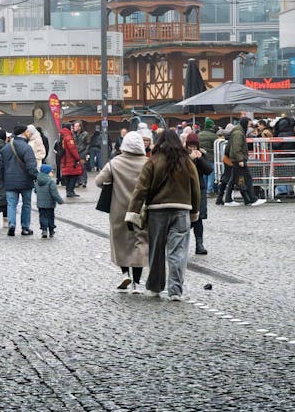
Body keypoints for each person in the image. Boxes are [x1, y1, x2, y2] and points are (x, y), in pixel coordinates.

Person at [126, 129, 201, 301]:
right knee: (178, 252)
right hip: (181, 210)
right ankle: (175, 291)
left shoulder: (153, 161)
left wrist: (133, 212)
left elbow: (141, 189)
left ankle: (155, 287)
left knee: (157, 251)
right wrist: (194, 211)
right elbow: (195, 188)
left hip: (157, 211)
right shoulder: (187, 162)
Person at [94, 132, 151, 292]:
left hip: (118, 210)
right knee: (140, 242)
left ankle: (125, 273)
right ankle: (136, 282)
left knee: (121, 243)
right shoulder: (147, 163)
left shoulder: (115, 163)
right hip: (141, 210)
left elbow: (99, 181)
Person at [0, 124, 38, 236]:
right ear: (23, 133)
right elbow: (31, 167)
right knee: (26, 204)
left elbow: (1, 166)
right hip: (25, 181)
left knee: (11, 204)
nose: (29, 133)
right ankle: (25, 227)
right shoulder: (26, 148)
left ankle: (12, 224)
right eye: (27, 131)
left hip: (9, 181)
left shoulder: (5, 148)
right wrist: (36, 177)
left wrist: (4, 179)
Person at [220, 117, 264, 207]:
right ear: (245, 124)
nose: (250, 127)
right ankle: (251, 199)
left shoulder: (239, 132)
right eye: (249, 124)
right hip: (238, 160)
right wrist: (240, 160)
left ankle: (229, 199)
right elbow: (236, 148)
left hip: (236, 159)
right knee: (246, 179)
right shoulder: (239, 133)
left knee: (235, 180)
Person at [185, 132, 212, 255]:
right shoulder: (182, 155)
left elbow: (208, 170)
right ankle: (181, 244)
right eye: (190, 146)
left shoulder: (202, 154)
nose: (192, 149)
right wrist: (189, 158)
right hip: (185, 189)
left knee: (199, 218)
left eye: (194, 146)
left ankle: (199, 244)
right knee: (185, 218)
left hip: (199, 188)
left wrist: (200, 158)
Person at [34, 162, 63, 239]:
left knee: (42, 216)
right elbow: (54, 193)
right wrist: (60, 200)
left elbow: (35, 191)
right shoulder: (51, 182)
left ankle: (44, 230)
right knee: (50, 216)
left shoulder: (37, 181)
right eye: (51, 171)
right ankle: (51, 230)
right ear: (47, 172)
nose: (52, 173)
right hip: (50, 204)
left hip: (40, 204)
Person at [59, 124, 83, 197]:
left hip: (65, 159)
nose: (73, 129)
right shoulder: (69, 137)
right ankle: (70, 191)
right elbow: (72, 149)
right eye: (72, 128)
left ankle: (68, 191)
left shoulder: (62, 136)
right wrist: (77, 158)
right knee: (74, 175)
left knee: (68, 176)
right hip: (70, 160)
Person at [198, 118, 218, 194]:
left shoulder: (199, 134)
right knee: (211, 173)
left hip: (202, 157)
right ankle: (209, 190)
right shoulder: (214, 136)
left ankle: (204, 188)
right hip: (211, 157)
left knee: (204, 174)